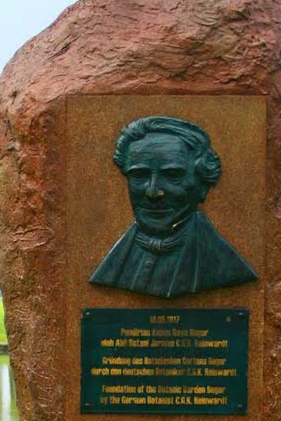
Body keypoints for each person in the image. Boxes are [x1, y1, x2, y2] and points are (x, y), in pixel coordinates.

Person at [90, 116, 257, 299]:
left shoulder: (226, 266)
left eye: (172, 175)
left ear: (203, 185)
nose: (153, 192)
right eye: (139, 175)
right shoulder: (113, 264)